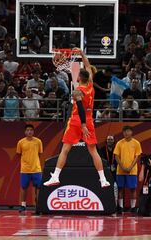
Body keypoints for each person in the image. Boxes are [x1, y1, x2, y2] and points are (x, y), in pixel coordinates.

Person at [44, 49, 110, 188]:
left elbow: (79, 108)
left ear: (79, 78)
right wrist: (82, 54)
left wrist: (83, 125)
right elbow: (87, 65)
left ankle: (55, 176)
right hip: (89, 119)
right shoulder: (91, 85)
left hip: (77, 120)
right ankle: (103, 179)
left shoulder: (77, 91)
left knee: (65, 150)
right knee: (93, 151)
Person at [114, 126, 142, 213]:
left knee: (133, 189)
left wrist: (130, 167)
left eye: (128, 131)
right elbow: (116, 156)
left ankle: (133, 207)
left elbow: (137, 156)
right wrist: (122, 167)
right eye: (124, 131)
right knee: (120, 189)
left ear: (131, 132)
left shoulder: (136, 143)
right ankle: (120, 207)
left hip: (132, 171)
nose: (126, 133)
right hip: (120, 170)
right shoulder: (119, 143)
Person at [16, 124, 43, 212]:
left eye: (31, 130)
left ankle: (38, 205)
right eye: (27, 130)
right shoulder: (21, 142)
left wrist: (35, 163)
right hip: (25, 170)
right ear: (25, 132)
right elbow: (18, 154)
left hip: (36, 169)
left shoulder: (38, 141)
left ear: (33, 131)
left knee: (39, 187)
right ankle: (23, 205)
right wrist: (25, 163)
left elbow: (40, 154)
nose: (29, 131)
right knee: (24, 187)